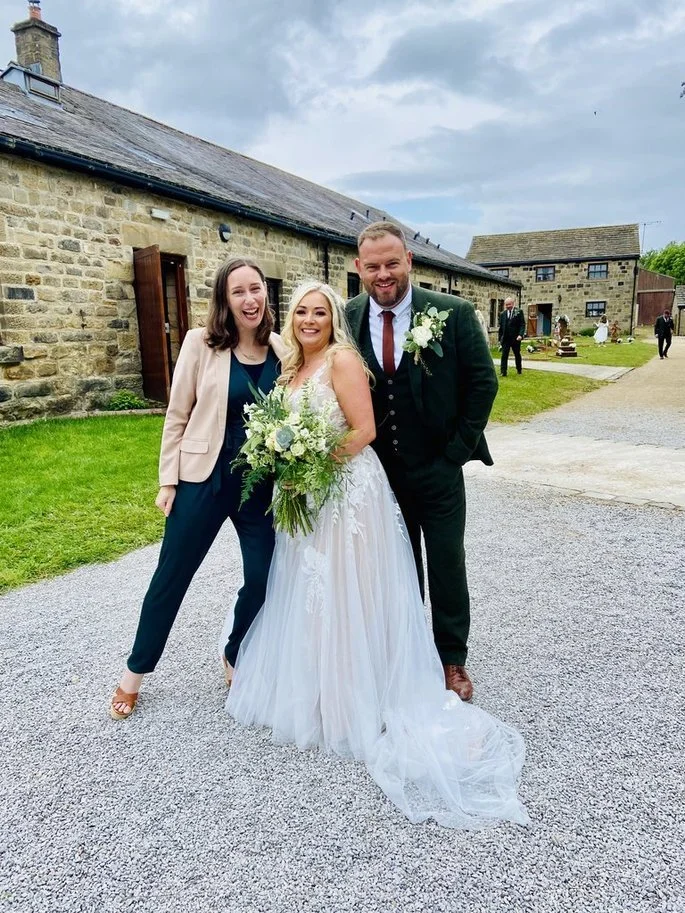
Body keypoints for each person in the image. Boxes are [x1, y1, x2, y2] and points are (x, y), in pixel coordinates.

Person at [226, 281, 528, 829]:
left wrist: (311, 464)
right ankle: (321, 688)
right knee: (312, 587)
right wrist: (289, 468)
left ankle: (375, 683)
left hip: (346, 492)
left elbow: (364, 429)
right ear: (290, 318)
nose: (309, 320)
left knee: (353, 584)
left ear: (333, 319)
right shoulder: (291, 367)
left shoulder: (342, 360)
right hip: (310, 495)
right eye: (301, 312)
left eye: (320, 312)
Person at [110, 257, 286, 720]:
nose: (250, 299)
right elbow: (177, 414)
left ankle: (233, 651)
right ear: (224, 300)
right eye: (238, 292)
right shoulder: (200, 344)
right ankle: (134, 673)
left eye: (256, 289)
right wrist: (168, 480)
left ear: (266, 294)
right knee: (171, 577)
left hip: (259, 486)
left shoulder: (283, 350)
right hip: (202, 479)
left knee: (265, 577)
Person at [345, 221, 497, 701]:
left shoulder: (452, 313)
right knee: (397, 565)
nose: (383, 274)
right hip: (380, 475)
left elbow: (483, 385)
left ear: (409, 261)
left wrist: (454, 454)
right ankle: (406, 654)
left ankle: (452, 659)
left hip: (438, 470)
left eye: (392, 263)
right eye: (373, 266)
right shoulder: (346, 317)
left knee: (447, 562)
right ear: (359, 268)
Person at [498, 296, 526, 375]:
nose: (507, 306)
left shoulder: (519, 312)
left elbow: (522, 324)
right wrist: (500, 339)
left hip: (515, 338)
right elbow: (501, 327)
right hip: (506, 338)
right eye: (506, 305)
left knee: (517, 354)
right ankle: (503, 372)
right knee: (504, 355)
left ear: (513, 304)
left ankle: (519, 369)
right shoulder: (503, 314)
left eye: (509, 304)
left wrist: (520, 334)